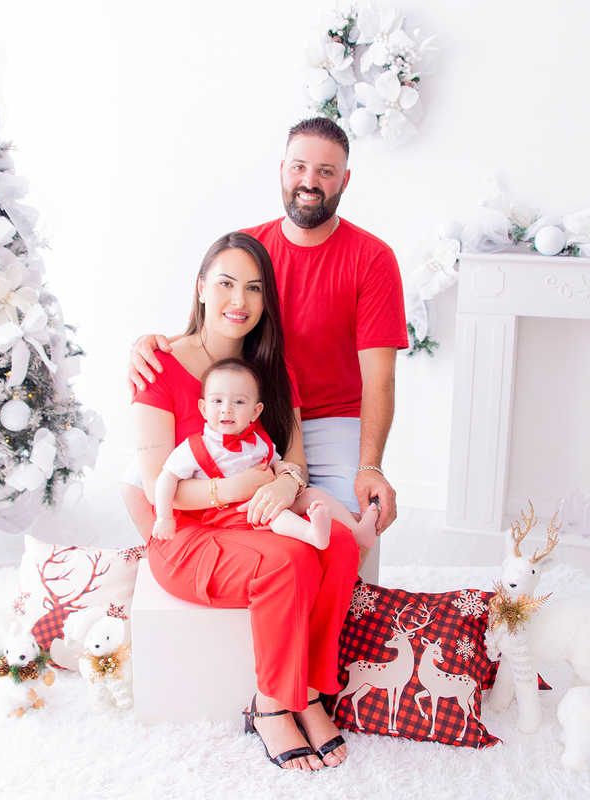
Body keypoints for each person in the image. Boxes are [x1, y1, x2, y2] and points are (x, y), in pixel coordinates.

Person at [131, 231, 359, 771]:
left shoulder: (275, 371)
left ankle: (309, 691)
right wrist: (233, 488)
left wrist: (283, 484)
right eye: (226, 284)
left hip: (254, 519)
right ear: (201, 289)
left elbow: (294, 462)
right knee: (290, 558)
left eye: (254, 288)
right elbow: (156, 485)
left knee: (341, 544)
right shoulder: (158, 366)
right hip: (187, 535)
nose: (240, 300)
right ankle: (273, 705)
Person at [128, 117, 407, 557]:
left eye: (326, 171)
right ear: (282, 171)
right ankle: (180, 566)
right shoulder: (249, 250)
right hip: (253, 411)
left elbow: (380, 377)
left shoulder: (372, 258)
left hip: (330, 420)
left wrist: (369, 465)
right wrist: (148, 344)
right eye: (299, 167)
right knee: (138, 479)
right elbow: (211, 324)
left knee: (343, 534)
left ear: (345, 180)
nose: (309, 181)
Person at [151, 357, 380, 551]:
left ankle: (357, 531)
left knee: (312, 494)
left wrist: (281, 468)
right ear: (203, 408)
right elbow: (166, 478)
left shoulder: (259, 440)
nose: (226, 409)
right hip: (233, 513)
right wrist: (164, 517)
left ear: (255, 412)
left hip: (268, 498)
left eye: (238, 402)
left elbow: (273, 462)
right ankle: (311, 534)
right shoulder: (196, 446)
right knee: (275, 515)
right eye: (217, 401)